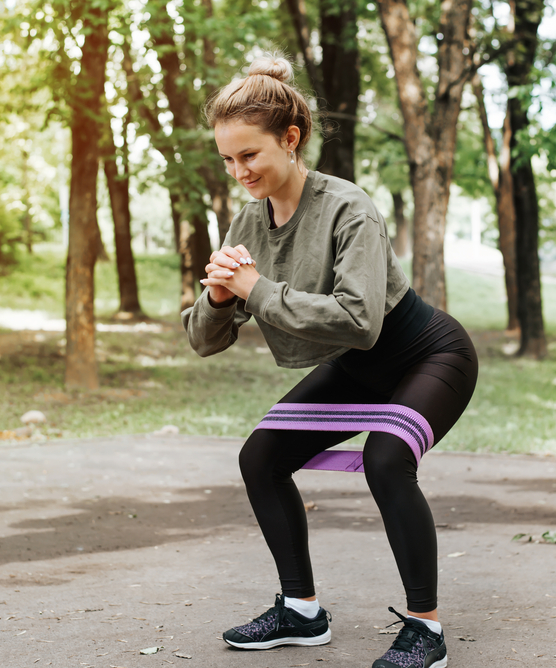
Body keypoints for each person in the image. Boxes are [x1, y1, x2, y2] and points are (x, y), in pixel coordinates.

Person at [181, 53, 478, 668]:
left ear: (290, 140)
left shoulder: (348, 208)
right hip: (357, 368)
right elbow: (206, 340)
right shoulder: (247, 220)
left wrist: (254, 289)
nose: (238, 171)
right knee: (261, 457)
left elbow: (359, 320)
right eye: (228, 159)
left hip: (427, 355)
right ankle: (301, 611)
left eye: (250, 156)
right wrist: (214, 298)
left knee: (386, 458)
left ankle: (426, 631)